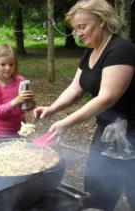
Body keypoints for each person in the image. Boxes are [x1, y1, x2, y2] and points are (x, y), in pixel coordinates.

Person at [34, 0, 135, 210]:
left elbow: (107, 97)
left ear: (102, 21)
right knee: (96, 189)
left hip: (131, 135)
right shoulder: (90, 52)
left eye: (83, 26)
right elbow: (74, 88)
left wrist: (65, 123)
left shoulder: (121, 49)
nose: (78, 34)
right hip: (107, 133)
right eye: (75, 29)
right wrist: (52, 109)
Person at [0, 44, 35, 142]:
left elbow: (24, 107)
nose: (8, 68)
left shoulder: (20, 80)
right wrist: (16, 101)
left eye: (11, 64)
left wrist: (30, 103)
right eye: (3, 64)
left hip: (20, 132)